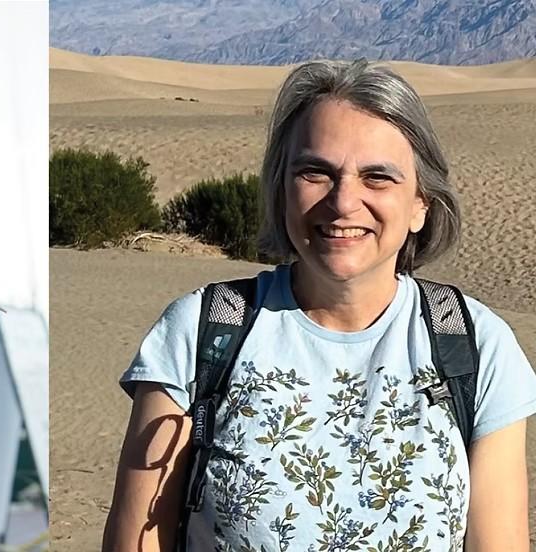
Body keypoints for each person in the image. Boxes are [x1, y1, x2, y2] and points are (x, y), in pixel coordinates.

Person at [103, 59, 536, 551]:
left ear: (421, 205)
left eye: (378, 177)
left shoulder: (476, 347)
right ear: (280, 189)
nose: (344, 201)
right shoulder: (202, 333)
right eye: (315, 172)